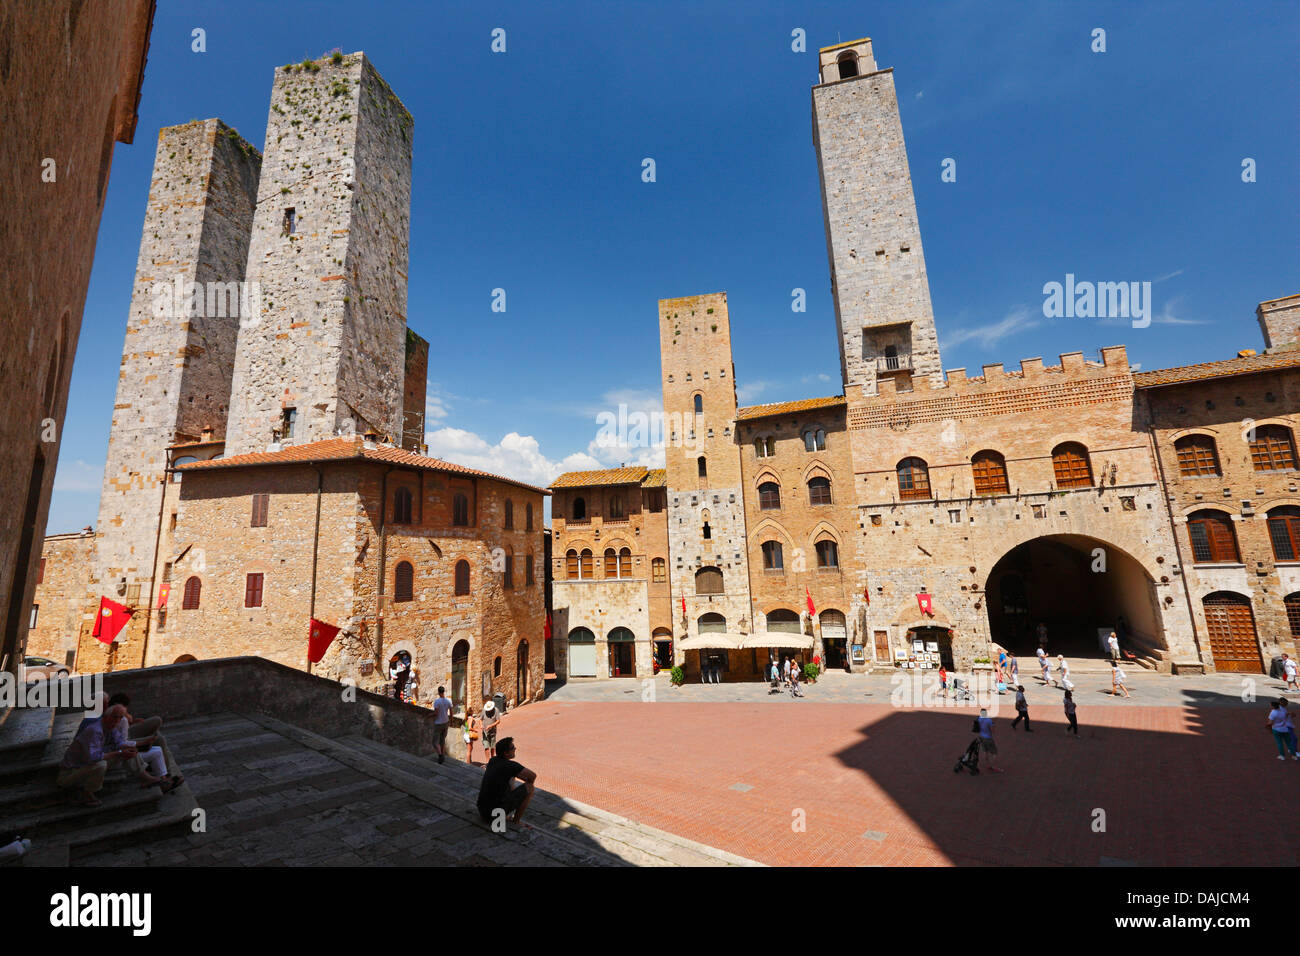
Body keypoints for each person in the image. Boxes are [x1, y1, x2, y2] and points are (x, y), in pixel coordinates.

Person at [56, 704, 143, 806]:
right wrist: (119, 752)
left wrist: (129, 748)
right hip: (70, 773)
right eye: (115, 717)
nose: (117, 721)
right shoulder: (94, 730)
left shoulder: (110, 727)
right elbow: (94, 758)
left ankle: (145, 777)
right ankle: (87, 794)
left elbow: (119, 742)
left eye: (120, 718)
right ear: (106, 716)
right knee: (101, 765)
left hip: (86, 766)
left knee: (128, 751)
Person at [106, 693, 183, 792]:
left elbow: (119, 740)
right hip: (116, 753)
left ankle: (163, 777)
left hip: (122, 743)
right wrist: (141, 743)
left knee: (156, 745)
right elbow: (116, 744)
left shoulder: (115, 721)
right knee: (157, 742)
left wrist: (131, 723)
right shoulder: (105, 722)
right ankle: (161, 778)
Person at [476, 736, 536, 827]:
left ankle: (505, 812)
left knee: (512, 776)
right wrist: (528, 783)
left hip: (483, 812)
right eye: (512, 748)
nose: (515, 748)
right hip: (494, 815)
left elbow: (516, 774)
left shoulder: (493, 760)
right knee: (530, 788)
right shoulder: (511, 766)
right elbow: (533, 775)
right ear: (506, 753)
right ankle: (516, 821)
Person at [975, 708, 1003, 773]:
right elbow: (992, 730)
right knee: (994, 753)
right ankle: (995, 767)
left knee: (985, 751)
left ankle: (988, 765)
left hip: (981, 737)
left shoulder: (979, 719)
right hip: (988, 738)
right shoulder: (989, 720)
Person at [431, 685, 453, 764]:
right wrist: (451, 721)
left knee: (435, 742)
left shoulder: (437, 701)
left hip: (438, 723)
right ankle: (442, 754)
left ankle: (440, 755)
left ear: (438, 692)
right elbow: (451, 712)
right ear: (443, 692)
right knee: (442, 740)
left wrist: (429, 716)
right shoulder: (448, 701)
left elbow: (436, 713)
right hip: (446, 722)